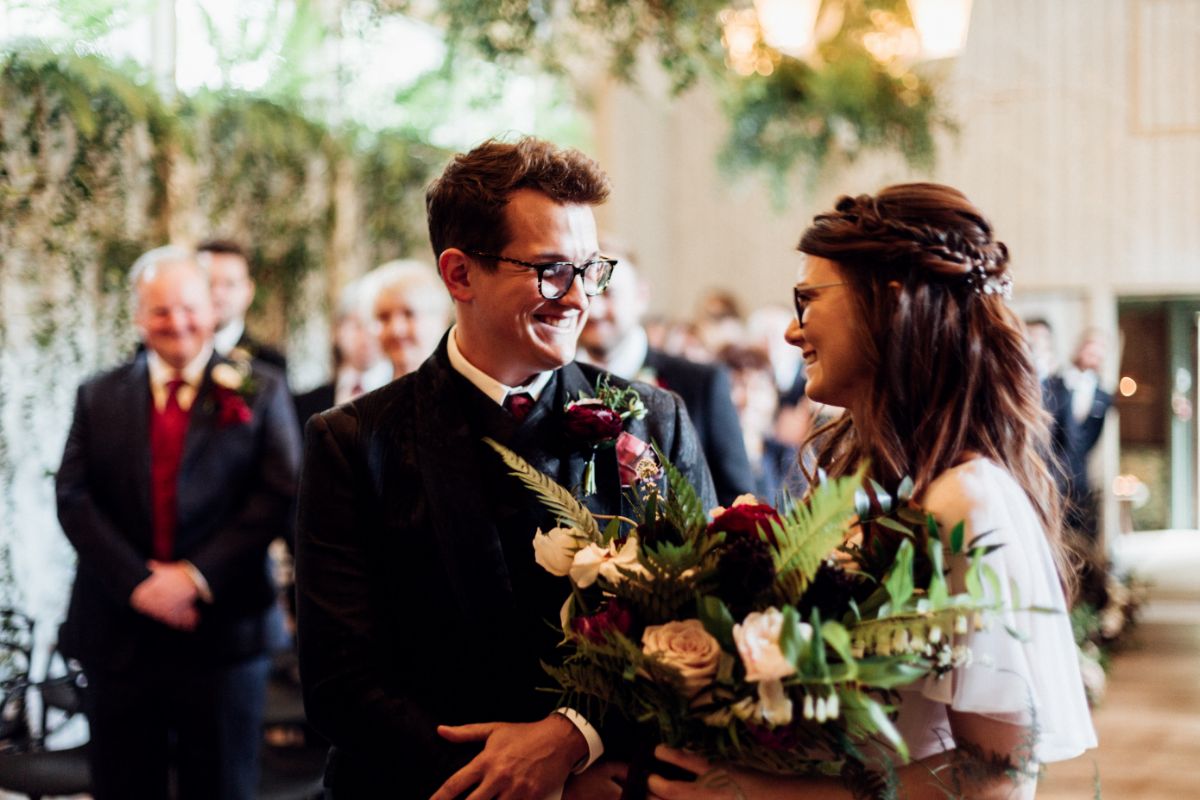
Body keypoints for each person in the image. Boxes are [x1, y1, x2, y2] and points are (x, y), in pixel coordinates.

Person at [295, 136, 716, 799]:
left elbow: (702, 624)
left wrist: (575, 741)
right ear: (460, 274)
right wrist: (514, 782)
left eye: (591, 270)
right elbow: (339, 682)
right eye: (551, 270)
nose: (580, 300)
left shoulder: (651, 420)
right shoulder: (353, 440)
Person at [648, 184, 1096, 799]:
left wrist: (761, 795)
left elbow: (997, 776)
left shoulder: (968, 500)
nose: (790, 331)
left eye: (807, 300)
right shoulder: (873, 480)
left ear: (889, 306)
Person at [56, 246, 302, 799]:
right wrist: (140, 584)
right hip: (119, 629)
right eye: (160, 311)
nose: (178, 323)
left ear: (212, 310)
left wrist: (192, 577)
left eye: (189, 308)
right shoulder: (97, 395)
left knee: (219, 786)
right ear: (139, 317)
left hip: (224, 633)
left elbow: (279, 492)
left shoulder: (260, 390)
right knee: (123, 786)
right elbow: (73, 496)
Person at [579, 250, 755, 505]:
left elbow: (737, 500)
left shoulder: (701, 383)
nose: (594, 309)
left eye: (608, 293)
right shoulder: (559, 384)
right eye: (586, 294)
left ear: (641, 296)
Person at [293, 276, 391, 425]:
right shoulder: (304, 403)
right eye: (357, 324)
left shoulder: (401, 397)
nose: (367, 334)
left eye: (376, 322)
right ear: (336, 330)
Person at [1044, 328, 1113, 540]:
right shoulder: (1053, 384)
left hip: (1081, 478)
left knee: (1080, 536)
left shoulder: (1103, 397)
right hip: (1050, 472)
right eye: (1091, 349)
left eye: (1099, 351)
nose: (1094, 355)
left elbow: (1092, 439)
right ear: (1080, 349)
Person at [199, 238, 288, 372]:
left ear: (248, 292)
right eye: (208, 283)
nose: (217, 293)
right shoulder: (166, 357)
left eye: (229, 284)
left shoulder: (269, 363)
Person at [363, 257, 452, 380]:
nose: (396, 330)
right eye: (384, 317)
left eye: (409, 314)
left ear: (441, 318)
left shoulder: (465, 389)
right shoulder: (364, 391)